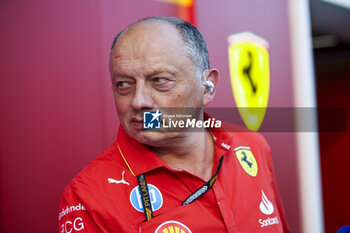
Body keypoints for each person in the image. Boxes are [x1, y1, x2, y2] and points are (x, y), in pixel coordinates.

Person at [58, 16, 290, 233]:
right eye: (124, 84)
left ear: (208, 86)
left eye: (159, 81)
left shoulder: (252, 146)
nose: (139, 102)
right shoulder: (88, 197)